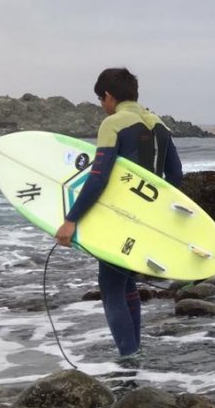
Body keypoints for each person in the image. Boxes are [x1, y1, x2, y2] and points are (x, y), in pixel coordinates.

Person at [55, 68, 183, 358]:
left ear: (109, 96)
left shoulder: (113, 124)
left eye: (102, 100)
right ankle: (134, 352)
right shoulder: (159, 124)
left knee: (110, 285)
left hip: (120, 218)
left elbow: (98, 177)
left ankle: (128, 359)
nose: (103, 106)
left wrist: (71, 219)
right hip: (149, 219)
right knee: (125, 281)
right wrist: (159, 210)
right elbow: (175, 175)